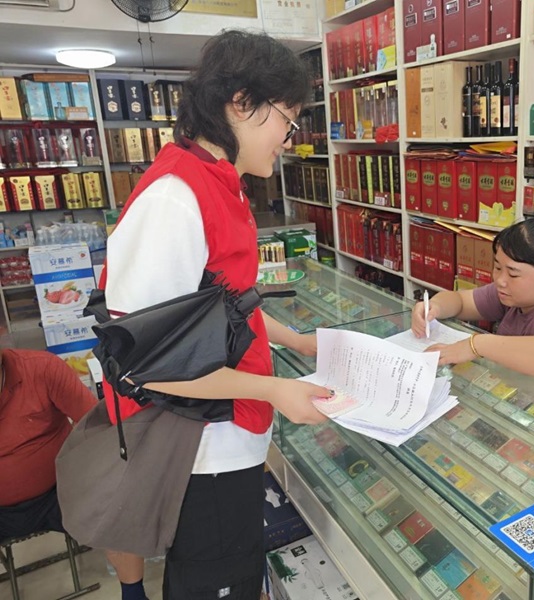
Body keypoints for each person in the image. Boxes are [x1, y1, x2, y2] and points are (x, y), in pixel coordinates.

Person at [100, 30, 332, 600]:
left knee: (235, 570)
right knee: (216, 581)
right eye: (288, 120)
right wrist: (275, 390)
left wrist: (299, 343)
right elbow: (151, 364)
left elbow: (225, 305)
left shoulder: (219, 181)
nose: (288, 139)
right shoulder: (174, 199)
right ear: (241, 103)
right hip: (200, 448)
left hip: (227, 432)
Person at [0, 348, 147, 600]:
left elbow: (94, 424)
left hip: (59, 490)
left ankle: (134, 594)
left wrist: (98, 475)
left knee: (116, 503)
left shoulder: (41, 369)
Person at [412, 215, 534, 380]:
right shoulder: (515, 295)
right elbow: (461, 301)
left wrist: (476, 345)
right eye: (498, 267)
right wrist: (434, 306)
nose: (500, 280)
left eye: (513, 274)